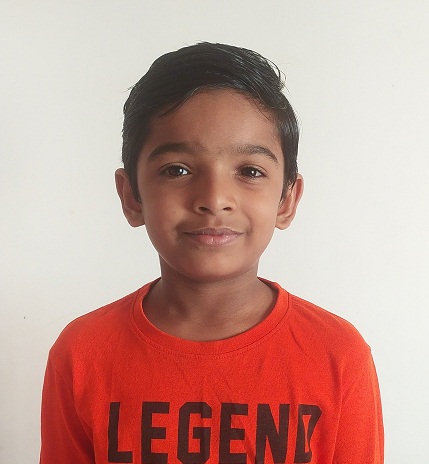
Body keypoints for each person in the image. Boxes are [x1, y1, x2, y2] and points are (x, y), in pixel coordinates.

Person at [40, 42, 384, 463]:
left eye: (250, 171)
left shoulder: (339, 356)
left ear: (286, 200)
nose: (215, 198)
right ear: (131, 196)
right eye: (178, 170)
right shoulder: (81, 354)